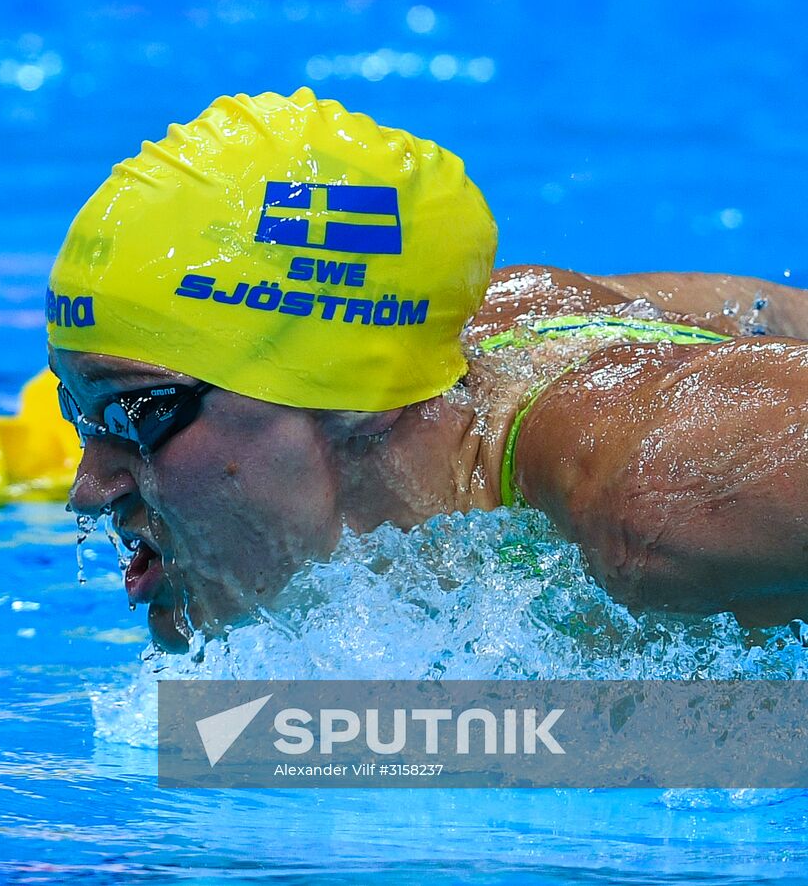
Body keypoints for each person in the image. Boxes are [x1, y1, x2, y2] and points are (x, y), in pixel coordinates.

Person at [46, 88, 808, 652]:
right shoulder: (486, 320)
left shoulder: (660, 499)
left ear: (352, 401)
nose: (89, 488)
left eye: (138, 414)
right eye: (76, 412)